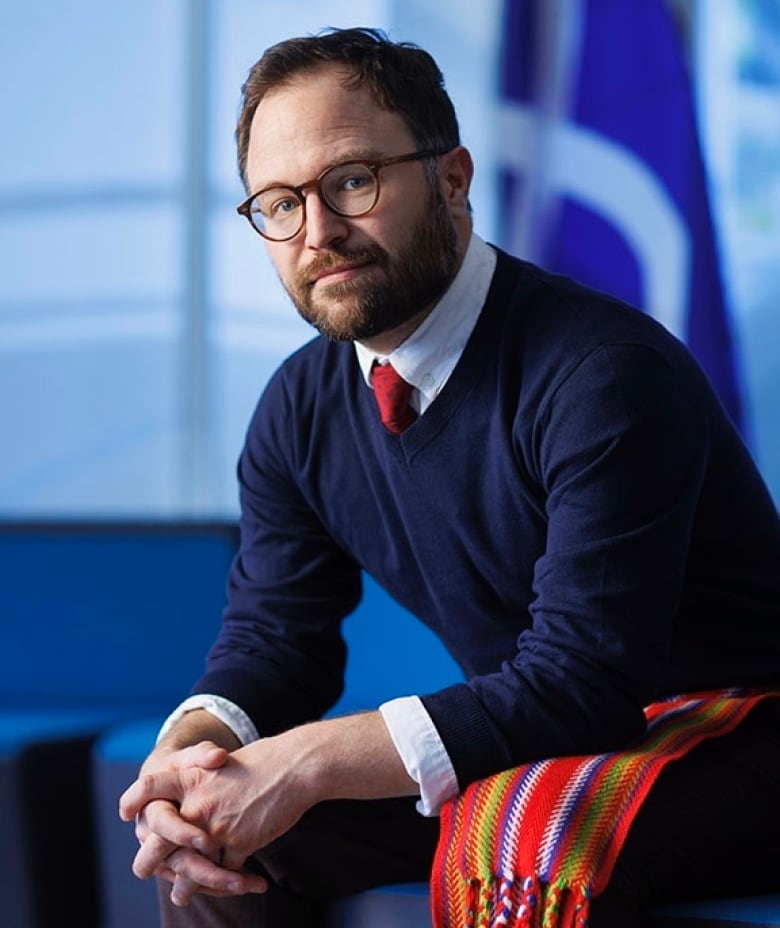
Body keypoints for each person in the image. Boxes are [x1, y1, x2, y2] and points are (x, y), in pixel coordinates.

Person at [119, 26, 780, 928]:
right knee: (223, 835)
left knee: (522, 834)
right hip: (552, 744)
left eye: (352, 182)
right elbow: (277, 640)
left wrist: (307, 759)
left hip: (741, 739)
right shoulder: (297, 407)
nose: (318, 233)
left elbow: (582, 682)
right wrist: (198, 752)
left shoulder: (602, 370)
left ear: (453, 179)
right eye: (278, 203)